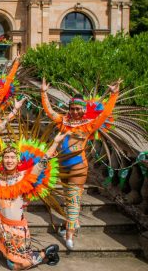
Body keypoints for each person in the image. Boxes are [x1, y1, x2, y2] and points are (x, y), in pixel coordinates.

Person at [41, 78, 121, 250]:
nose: (75, 112)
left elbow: (106, 114)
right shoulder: (63, 121)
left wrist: (114, 94)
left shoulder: (89, 125)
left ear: (84, 110)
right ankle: (74, 222)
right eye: (72, 108)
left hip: (78, 166)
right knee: (67, 198)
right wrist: (43, 93)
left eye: (78, 109)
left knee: (73, 198)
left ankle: (70, 232)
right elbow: (49, 111)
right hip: (62, 165)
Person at [0, 133, 67, 270]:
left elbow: (42, 163)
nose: (9, 160)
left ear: (18, 160)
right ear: (2, 159)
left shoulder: (24, 176)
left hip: (17, 229)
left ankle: (46, 253)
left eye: (12, 157)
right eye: (6, 157)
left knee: (14, 265)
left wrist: (55, 142)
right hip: (1, 222)